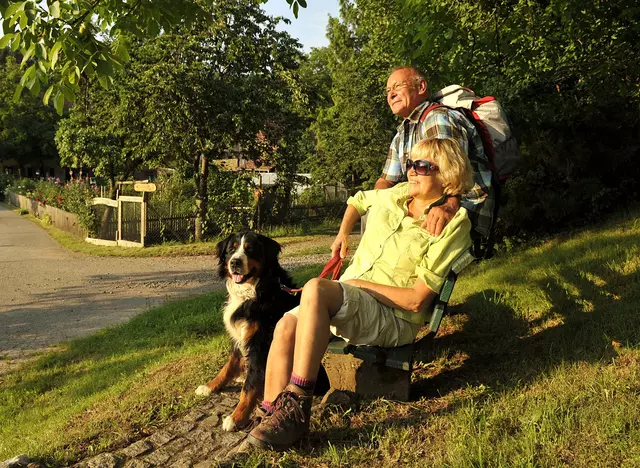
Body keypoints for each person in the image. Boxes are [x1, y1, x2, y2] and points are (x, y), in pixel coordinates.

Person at [247, 137, 474, 451]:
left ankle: (297, 403)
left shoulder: (453, 224)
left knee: (315, 289)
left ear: (448, 175)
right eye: (410, 162)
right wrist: (342, 233)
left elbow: (416, 300)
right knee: (286, 327)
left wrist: (359, 285)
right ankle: (274, 416)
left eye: (422, 165)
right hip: (348, 300)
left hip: (392, 317)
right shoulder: (396, 195)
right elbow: (358, 200)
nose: (411, 170)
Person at [376, 66, 494, 240]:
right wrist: (377, 204)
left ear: (421, 87)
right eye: (388, 91)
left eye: (398, 86)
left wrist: (449, 207)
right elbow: (386, 180)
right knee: (372, 212)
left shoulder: (437, 118)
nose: (391, 94)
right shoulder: (401, 134)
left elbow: (455, 177)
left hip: (462, 212)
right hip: (429, 213)